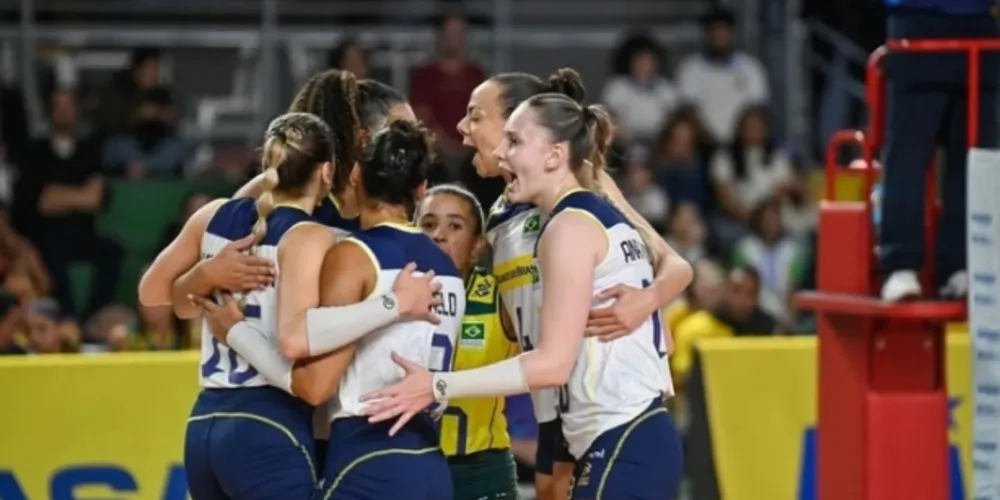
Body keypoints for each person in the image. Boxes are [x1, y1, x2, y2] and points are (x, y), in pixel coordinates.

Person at [365, 94, 685, 500]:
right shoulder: (602, 215)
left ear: (554, 155)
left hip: (622, 437)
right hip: (634, 433)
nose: (501, 152)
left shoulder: (567, 227)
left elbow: (551, 366)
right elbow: (665, 334)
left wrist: (436, 385)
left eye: (514, 142)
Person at [456, 67, 692, 500]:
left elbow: (675, 264)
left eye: (476, 117)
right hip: (560, 401)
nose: (463, 129)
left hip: (602, 399)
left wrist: (647, 302)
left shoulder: (585, 188)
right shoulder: (499, 216)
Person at [200, 120, 464, 499]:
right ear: (422, 188)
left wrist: (235, 332)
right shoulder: (449, 267)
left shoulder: (354, 255)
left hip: (367, 460)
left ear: (355, 174)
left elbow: (313, 386)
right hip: (431, 465)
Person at [161, 112, 338, 499]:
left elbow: (176, 303)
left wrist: (204, 275)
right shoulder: (308, 236)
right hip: (268, 423)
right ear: (327, 171)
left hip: (205, 421)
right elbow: (299, 342)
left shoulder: (215, 215)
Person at [878, 0, 998, 301]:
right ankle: (900, 264)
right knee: (909, 153)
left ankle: (958, 264)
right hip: (918, 19)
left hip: (979, 23)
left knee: (972, 157)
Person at [416, 184, 520, 500]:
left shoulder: (501, 294)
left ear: (476, 246)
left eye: (454, 226)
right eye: (428, 224)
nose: (439, 235)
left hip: (481, 470)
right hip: (410, 463)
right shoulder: (392, 290)